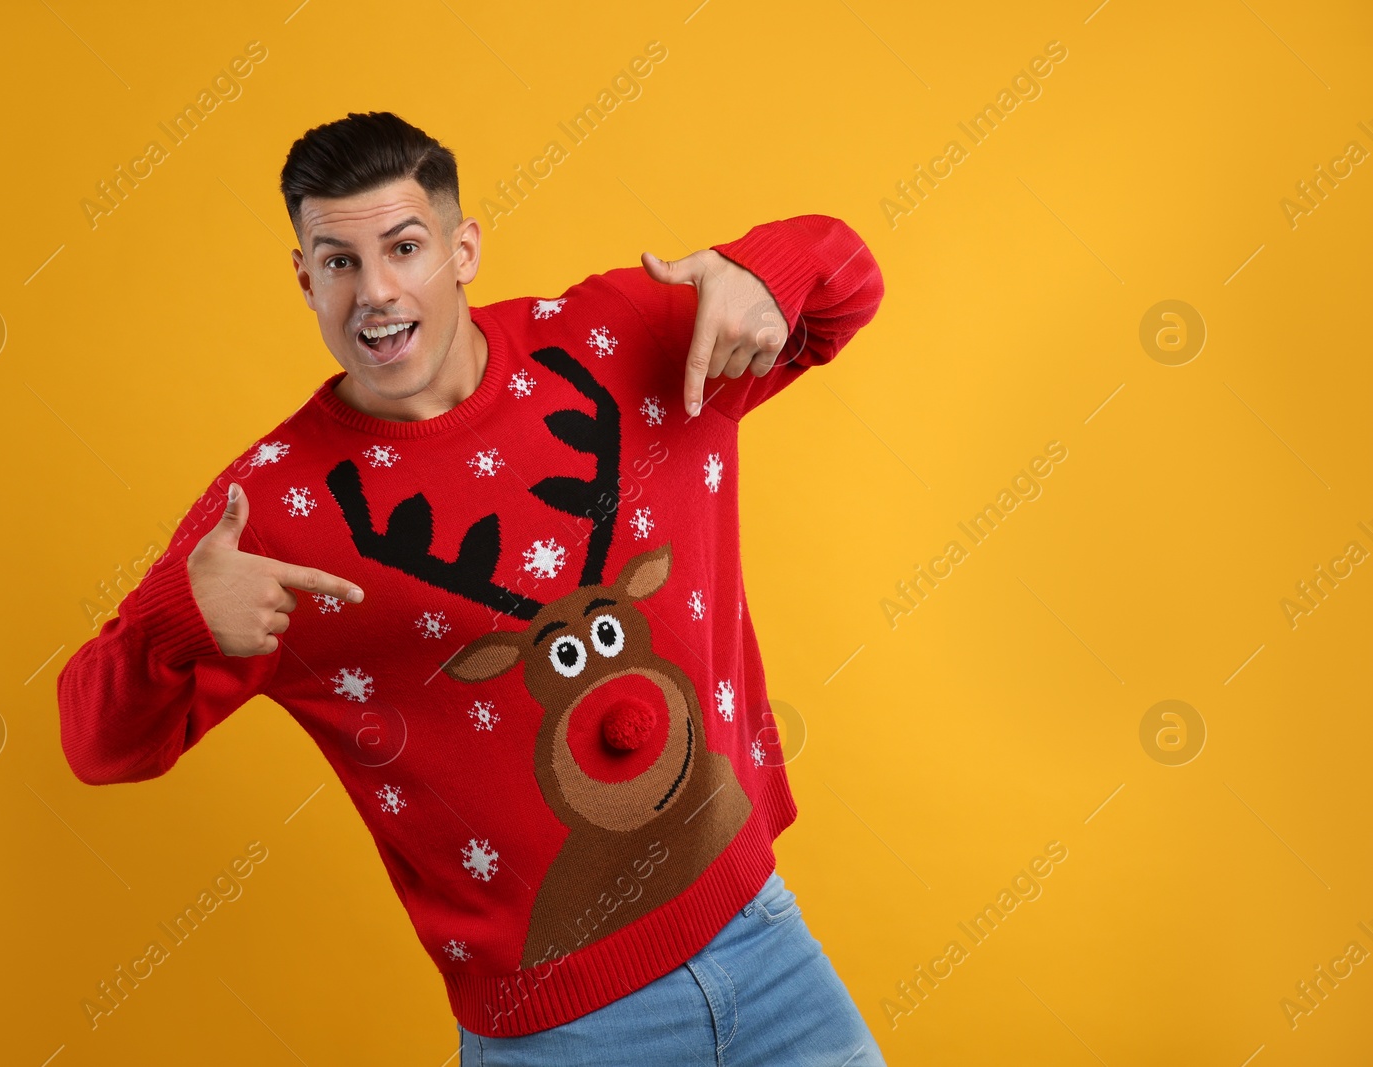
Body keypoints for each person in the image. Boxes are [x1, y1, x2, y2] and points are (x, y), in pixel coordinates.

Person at [56, 110, 887, 1065]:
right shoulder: (273, 514)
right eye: (338, 261)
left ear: (463, 248)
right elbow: (96, 740)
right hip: (559, 1034)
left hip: (765, 942)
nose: (375, 292)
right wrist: (182, 626)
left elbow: (844, 282)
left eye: (405, 248)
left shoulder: (621, 338)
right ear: (303, 277)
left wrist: (763, 274)